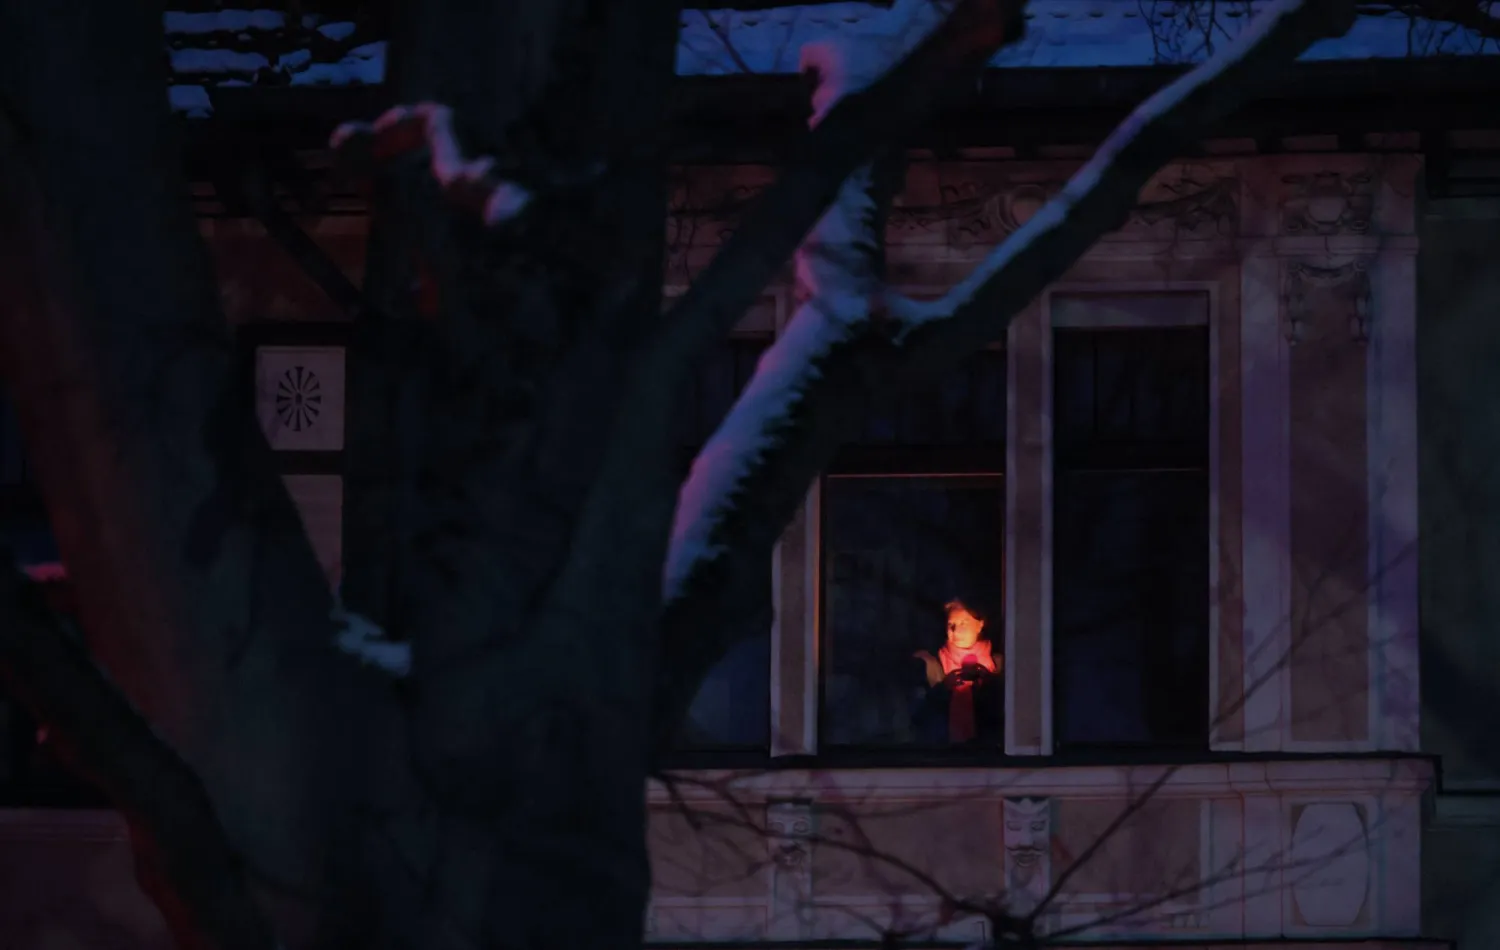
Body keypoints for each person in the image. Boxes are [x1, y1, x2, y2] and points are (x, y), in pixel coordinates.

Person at [912, 599, 1004, 745]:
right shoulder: (933, 662)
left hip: (989, 751)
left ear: (979, 625)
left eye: (963, 623)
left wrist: (988, 683)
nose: (955, 630)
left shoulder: (997, 663)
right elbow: (919, 714)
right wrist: (943, 689)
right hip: (947, 752)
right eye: (951, 624)